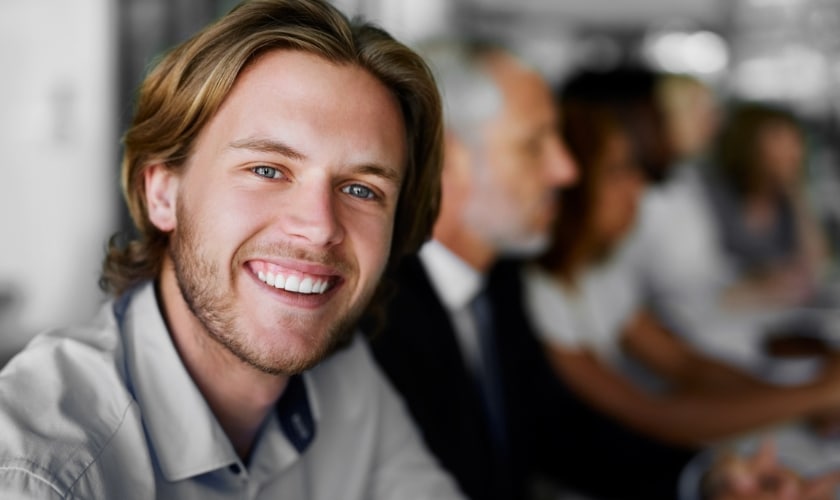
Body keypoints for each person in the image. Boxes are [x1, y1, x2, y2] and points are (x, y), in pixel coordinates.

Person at [0, 1, 466, 498]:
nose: (319, 227)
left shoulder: (348, 381)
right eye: (267, 169)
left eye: (361, 190)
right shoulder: (42, 476)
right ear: (163, 194)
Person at [524, 72, 840, 457]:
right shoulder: (538, 290)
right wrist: (813, 396)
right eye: (618, 171)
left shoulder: (601, 270)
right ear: (573, 181)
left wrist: (802, 401)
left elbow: (685, 364)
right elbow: (651, 414)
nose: (638, 187)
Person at [365, 39, 580, 500]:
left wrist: (703, 478)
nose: (565, 170)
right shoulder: (369, 316)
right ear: (450, 160)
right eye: (533, 145)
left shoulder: (499, 278)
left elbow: (556, 433)